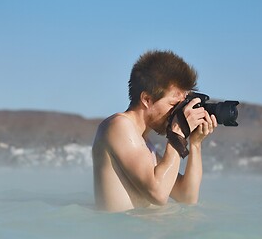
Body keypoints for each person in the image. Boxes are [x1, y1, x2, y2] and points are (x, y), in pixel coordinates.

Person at [92, 50, 217, 212]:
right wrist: (177, 135)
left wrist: (195, 143)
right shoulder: (119, 126)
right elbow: (158, 194)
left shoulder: (143, 141)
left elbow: (187, 197)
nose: (177, 113)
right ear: (147, 99)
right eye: (173, 106)